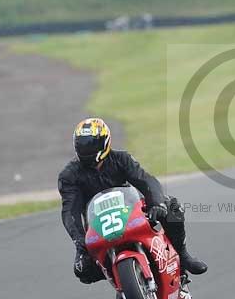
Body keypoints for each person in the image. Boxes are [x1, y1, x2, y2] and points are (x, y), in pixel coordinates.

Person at [58, 117, 207, 284]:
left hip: (131, 211)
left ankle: (182, 254)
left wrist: (156, 204)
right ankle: (120, 277)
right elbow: (70, 211)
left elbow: (146, 180)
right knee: (82, 271)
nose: (87, 150)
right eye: (82, 146)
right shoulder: (69, 176)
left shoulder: (121, 159)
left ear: (104, 143)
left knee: (172, 206)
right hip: (99, 225)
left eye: (91, 146)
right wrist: (80, 242)